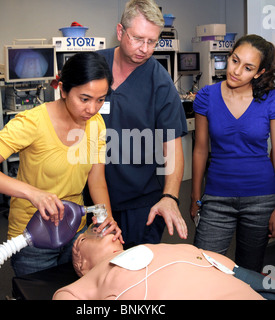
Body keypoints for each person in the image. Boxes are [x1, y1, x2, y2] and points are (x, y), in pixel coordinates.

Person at [0, 52, 123, 276]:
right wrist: (34, 193)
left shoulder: (96, 123)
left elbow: (96, 180)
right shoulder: (32, 122)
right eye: (85, 98)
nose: (92, 109)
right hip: (33, 236)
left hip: (74, 232)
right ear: (63, 89)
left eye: (101, 99)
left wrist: (106, 219)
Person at [90, 0, 188, 248]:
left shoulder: (159, 81)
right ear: (121, 31)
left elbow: (172, 146)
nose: (145, 49)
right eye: (138, 38)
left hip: (140, 201)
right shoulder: (94, 66)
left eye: (152, 42)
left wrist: (170, 196)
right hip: (90, 196)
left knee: (136, 273)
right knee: (91, 273)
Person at [190, 34, 275, 272]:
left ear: (259, 73)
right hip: (217, 196)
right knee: (203, 268)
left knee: (248, 272)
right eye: (234, 60)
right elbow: (200, 148)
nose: (236, 71)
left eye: (248, 68)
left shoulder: (270, 99)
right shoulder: (207, 96)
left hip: (261, 197)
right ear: (228, 57)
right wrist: (195, 195)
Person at [52, 230, 275, 300]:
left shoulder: (167, 247)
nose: (113, 233)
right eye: (96, 234)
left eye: (114, 231)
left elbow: (239, 273)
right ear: (81, 262)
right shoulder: (91, 279)